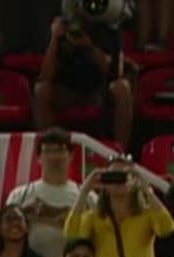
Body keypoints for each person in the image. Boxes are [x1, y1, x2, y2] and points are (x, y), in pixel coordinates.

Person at [34, 10, 133, 152]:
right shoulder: (60, 25)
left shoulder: (109, 25)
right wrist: (55, 39)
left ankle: (119, 154)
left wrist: (89, 48)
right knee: (41, 90)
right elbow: (45, 76)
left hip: (98, 90)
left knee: (122, 87)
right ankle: (51, 150)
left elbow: (115, 73)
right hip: (65, 90)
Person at [65, 160, 174, 257]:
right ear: (105, 182)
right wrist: (84, 191)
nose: (118, 180)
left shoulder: (147, 214)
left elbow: (167, 228)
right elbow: (71, 235)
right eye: (113, 176)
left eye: (124, 175)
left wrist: (147, 191)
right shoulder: (95, 217)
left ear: (134, 180)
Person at [6, 129, 82, 257]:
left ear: (71, 156)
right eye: (48, 151)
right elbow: (5, 233)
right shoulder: (20, 195)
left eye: (60, 150)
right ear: (39, 158)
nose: (54, 157)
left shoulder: (86, 195)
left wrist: (46, 216)